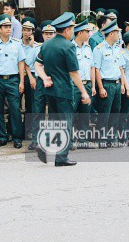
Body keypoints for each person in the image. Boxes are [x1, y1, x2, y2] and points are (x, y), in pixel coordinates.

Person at [34, 12, 91, 166]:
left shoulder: (46, 44)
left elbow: (37, 65)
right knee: (65, 123)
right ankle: (61, 158)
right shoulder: (68, 46)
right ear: (66, 30)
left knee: (54, 121)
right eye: (72, 28)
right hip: (64, 91)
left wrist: (45, 77)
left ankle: (43, 145)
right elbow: (73, 73)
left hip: (50, 90)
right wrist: (84, 92)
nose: (73, 31)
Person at [0, 14, 26, 148]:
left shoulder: (17, 44)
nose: (8, 29)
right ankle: (2, 136)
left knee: (15, 109)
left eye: (10, 26)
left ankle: (17, 137)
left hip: (13, 79)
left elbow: (21, 63)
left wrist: (21, 82)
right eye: (5, 27)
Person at [93, 20, 127, 146]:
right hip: (106, 83)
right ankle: (101, 138)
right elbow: (97, 69)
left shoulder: (117, 48)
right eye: (117, 32)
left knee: (115, 112)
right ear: (111, 33)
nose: (119, 35)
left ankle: (112, 138)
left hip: (117, 83)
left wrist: (122, 84)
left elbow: (120, 67)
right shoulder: (99, 49)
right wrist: (100, 87)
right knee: (104, 113)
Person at [28, 20, 56, 150]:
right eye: (46, 33)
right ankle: (35, 139)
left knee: (53, 112)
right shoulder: (37, 48)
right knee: (38, 110)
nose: (49, 36)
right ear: (42, 35)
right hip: (40, 82)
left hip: (53, 82)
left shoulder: (58, 48)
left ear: (55, 34)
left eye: (51, 33)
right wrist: (32, 78)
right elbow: (28, 63)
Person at [71, 19, 95, 142]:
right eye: (87, 32)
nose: (89, 34)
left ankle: (83, 138)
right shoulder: (70, 47)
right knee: (71, 112)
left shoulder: (88, 48)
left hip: (87, 84)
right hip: (74, 85)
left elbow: (92, 67)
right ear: (80, 33)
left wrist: (93, 85)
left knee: (85, 113)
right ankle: (69, 139)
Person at [20, 17, 40, 139]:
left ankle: (29, 130)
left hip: (32, 76)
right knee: (16, 105)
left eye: (29, 30)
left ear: (32, 32)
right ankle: (15, 130)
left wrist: (32, 46)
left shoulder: (36, 46)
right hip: (19, 76)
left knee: (31, 105)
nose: (27, 32)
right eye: (24, 30)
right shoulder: (17, 44)